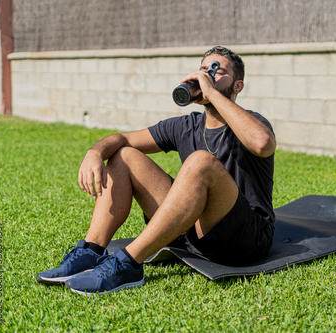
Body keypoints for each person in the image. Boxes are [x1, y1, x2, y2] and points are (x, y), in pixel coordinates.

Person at [36, 46, 276, 295]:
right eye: (204, 69)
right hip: (191, 234)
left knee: (200, 161)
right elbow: (122, 138)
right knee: (124, 155)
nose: (208, 75)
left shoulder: (253, 121)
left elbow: (262, 144)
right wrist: (94, 152)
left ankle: (128, 263)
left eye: (217, 71)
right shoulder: (186, 126)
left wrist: (213, 94)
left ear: (237, 86)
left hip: (245, 239)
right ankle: (91, 251)